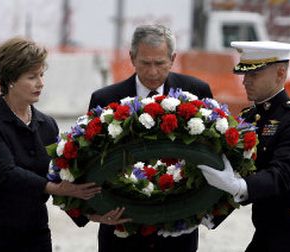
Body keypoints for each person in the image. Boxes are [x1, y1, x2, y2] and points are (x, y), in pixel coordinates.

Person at [0, 37, 104, 252]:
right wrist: (54, 187)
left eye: (41, 75)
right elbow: (4, 172)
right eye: (32, 77)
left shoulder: (47, 124)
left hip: (33, 226)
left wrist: (88, 213)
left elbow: (59, 176)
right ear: (10, 79)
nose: (41, 83)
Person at [83, 24, 213, 252]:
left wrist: (205, 211)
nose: (153, 72)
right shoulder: (105, 98)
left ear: (173, 58)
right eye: (145, 63)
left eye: (160, 63)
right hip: (122, 226)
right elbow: (89, 162)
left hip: (178, 226)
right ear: (132, 57)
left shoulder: (196, 92)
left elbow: (213, 154)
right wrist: (93, 212)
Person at [198, 41, 290, 251]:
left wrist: (239, 186)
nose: (245, 81)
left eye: (253, 75)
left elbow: (281, 175)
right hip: (268, 232)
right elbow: (233, 169)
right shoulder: (248, 117)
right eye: (244, 74)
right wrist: (205, 214)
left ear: (280, 73)